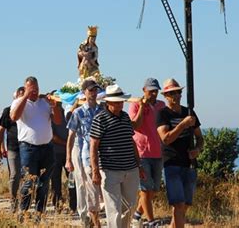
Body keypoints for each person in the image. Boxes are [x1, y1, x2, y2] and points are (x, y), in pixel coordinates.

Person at [90, 84, 144, 228]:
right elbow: (93, 146)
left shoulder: (125, 117)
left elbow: (131, 141)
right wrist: (95, 171)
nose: (120, 104)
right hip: (110, 170)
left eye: (121, 101)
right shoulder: (100, 119)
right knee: (113, 209)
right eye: (117, 102)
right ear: (108, 103)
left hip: (130, 169)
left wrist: (139, 165)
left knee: (130, 206)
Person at [10, 76, 62, 217]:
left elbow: (57, 121)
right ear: (26, 88)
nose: (35, 92)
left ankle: (40, 213)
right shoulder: (18, 102)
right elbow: (14, 117)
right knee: (29, 182)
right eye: (31, 89)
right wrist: (25, 97)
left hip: (47, 148)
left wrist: (54, 106)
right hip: (28, 148)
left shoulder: (45, 102)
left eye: (36, 89)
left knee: (44, 183)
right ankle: (23, 212)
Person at [156, 79, 204, 228]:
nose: (176, 95)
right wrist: (183, 124)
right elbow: (166, 138)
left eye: (178, 92)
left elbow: (200, 138)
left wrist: (198, 149)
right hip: (172, 163)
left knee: (185, 205)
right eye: (172, 93)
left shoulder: (188, 112)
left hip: (188, 163)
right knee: (178, 204)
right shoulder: (162, 114)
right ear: (166, 96)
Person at [65, 79, 103, 227]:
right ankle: (85, 216)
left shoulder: (102, 110)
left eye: (95, 90)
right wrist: (68, 159)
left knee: (97, 186)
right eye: (90, 90)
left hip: (101, 154)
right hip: (83, 153)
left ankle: (93, 214)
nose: (93, 93)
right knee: (82, 185)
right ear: (84, 93)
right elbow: (71, 136)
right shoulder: (78, 113)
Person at [129, 78, 166, 227]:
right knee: (145, 190)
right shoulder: (134, 105)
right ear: (144, 90)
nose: (154, 94)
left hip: (158, 153)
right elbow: (135, 126)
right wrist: (141, 108)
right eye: (151, 91)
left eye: (156, 91)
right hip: (142, 153)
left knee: (153, 191)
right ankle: (151, 222)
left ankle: (137, 215)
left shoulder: (161, 106)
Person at [0, 86, 25, 212]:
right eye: (21, 96)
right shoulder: (8, 111)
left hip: (27, 148)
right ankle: (13, 200)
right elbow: (1, 131)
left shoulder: (30, 110)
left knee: (26, 176)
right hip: (13, 148)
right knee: (14, 174)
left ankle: (24, 202)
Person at [50, 102, 76, 213]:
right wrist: (67, 144)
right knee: (56, 180)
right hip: (55, 154)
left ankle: (73, 205)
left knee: (71, 180)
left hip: (68, 154)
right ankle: (57, 206)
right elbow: (52, 136)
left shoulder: (67, 114)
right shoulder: (50, 116)